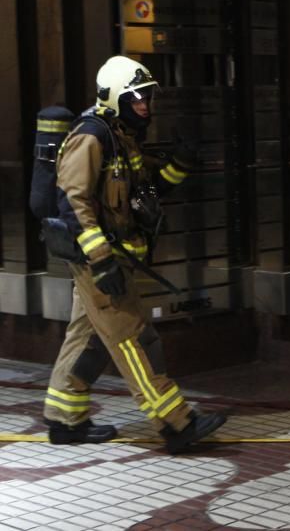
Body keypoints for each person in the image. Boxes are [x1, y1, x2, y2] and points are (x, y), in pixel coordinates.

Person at [43, 55, 226, 454]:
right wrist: (102, 260)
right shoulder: (92, 136)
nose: (145, 105)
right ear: (115, 99)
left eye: (146, 97)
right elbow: (73, 204)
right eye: (137, 98)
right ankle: (176, 423)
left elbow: (144, 194)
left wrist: (180, 163)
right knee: (133, 339)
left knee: (85, 337)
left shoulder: (122, 136)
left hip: (115, 257)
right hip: (100, 262)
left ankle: (63, 418)